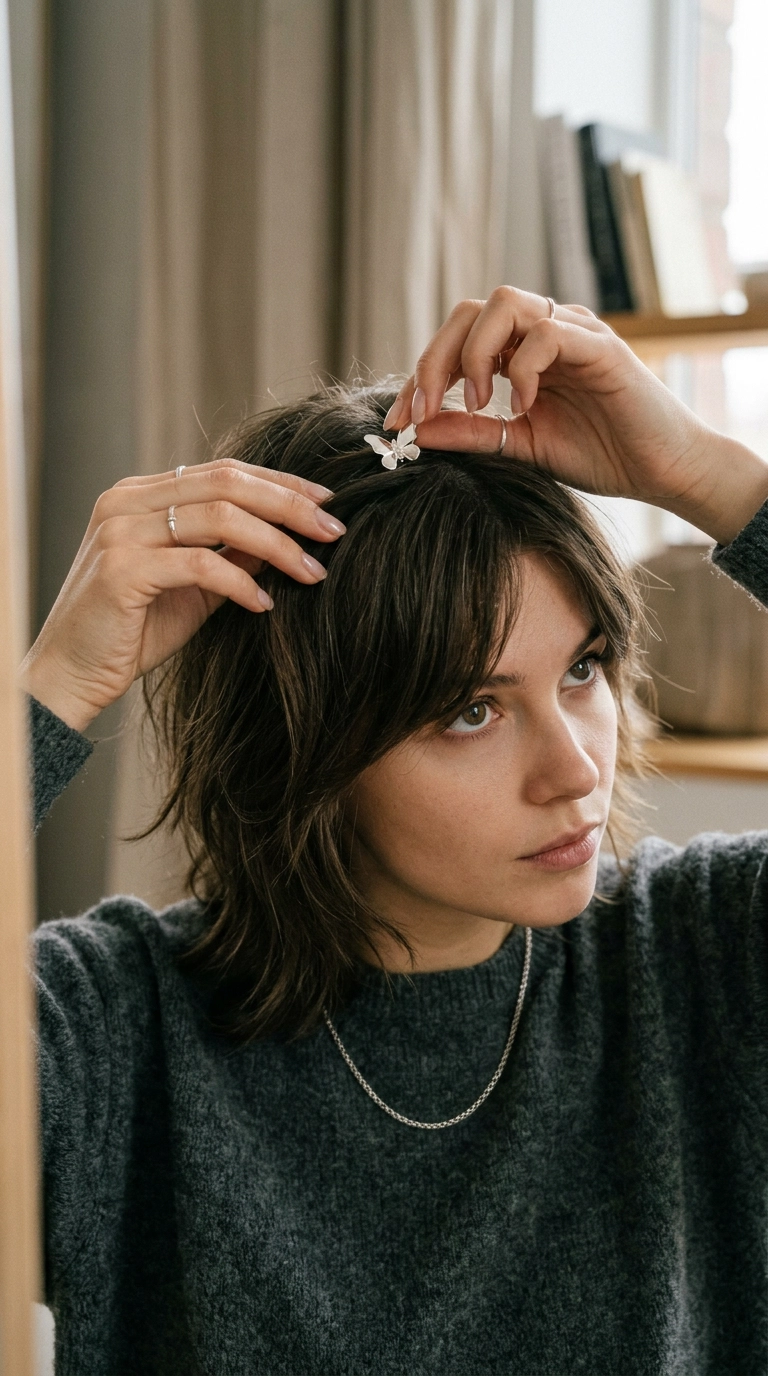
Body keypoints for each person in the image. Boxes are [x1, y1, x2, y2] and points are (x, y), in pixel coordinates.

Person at [21, 286, 768, 1375]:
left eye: (584, 669)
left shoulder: (702, 957)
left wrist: (711, 476)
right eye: (470, 710)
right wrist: (43, 697)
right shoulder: (113, 1030)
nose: (576, 767)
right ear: (304, 746)